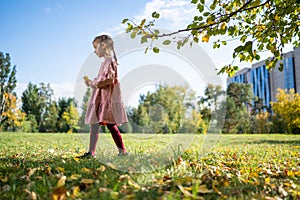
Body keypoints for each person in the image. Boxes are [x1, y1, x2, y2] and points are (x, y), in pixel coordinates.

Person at [77, 34, 128, 159]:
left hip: (107, 99)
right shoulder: (105, 63)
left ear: (103, 45)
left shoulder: (110, 62)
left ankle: (123, 152)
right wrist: (91, 82)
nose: (94, 51)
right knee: (95, 123)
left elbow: (110, 80)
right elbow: (102, 78)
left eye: (95, 48)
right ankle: (91, 152)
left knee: (111, 124)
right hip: (101, 98)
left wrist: (95, 83)